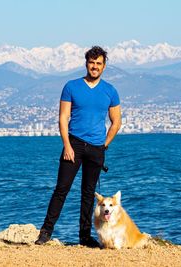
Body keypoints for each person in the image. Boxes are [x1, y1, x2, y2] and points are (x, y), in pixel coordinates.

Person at [35, 46, 122, 247]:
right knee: (61, 189)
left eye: (99, 63)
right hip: (73, 145)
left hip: (96, 148)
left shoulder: (110, 91)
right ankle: (45, 232)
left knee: (88, 194)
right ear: (86, 64)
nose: (95, 66)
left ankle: (84, 237)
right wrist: (66, 145)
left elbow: (116, 122)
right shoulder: (71, 86)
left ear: (104, 66)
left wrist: (104, 145)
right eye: (92, 63)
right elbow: (63, 117)